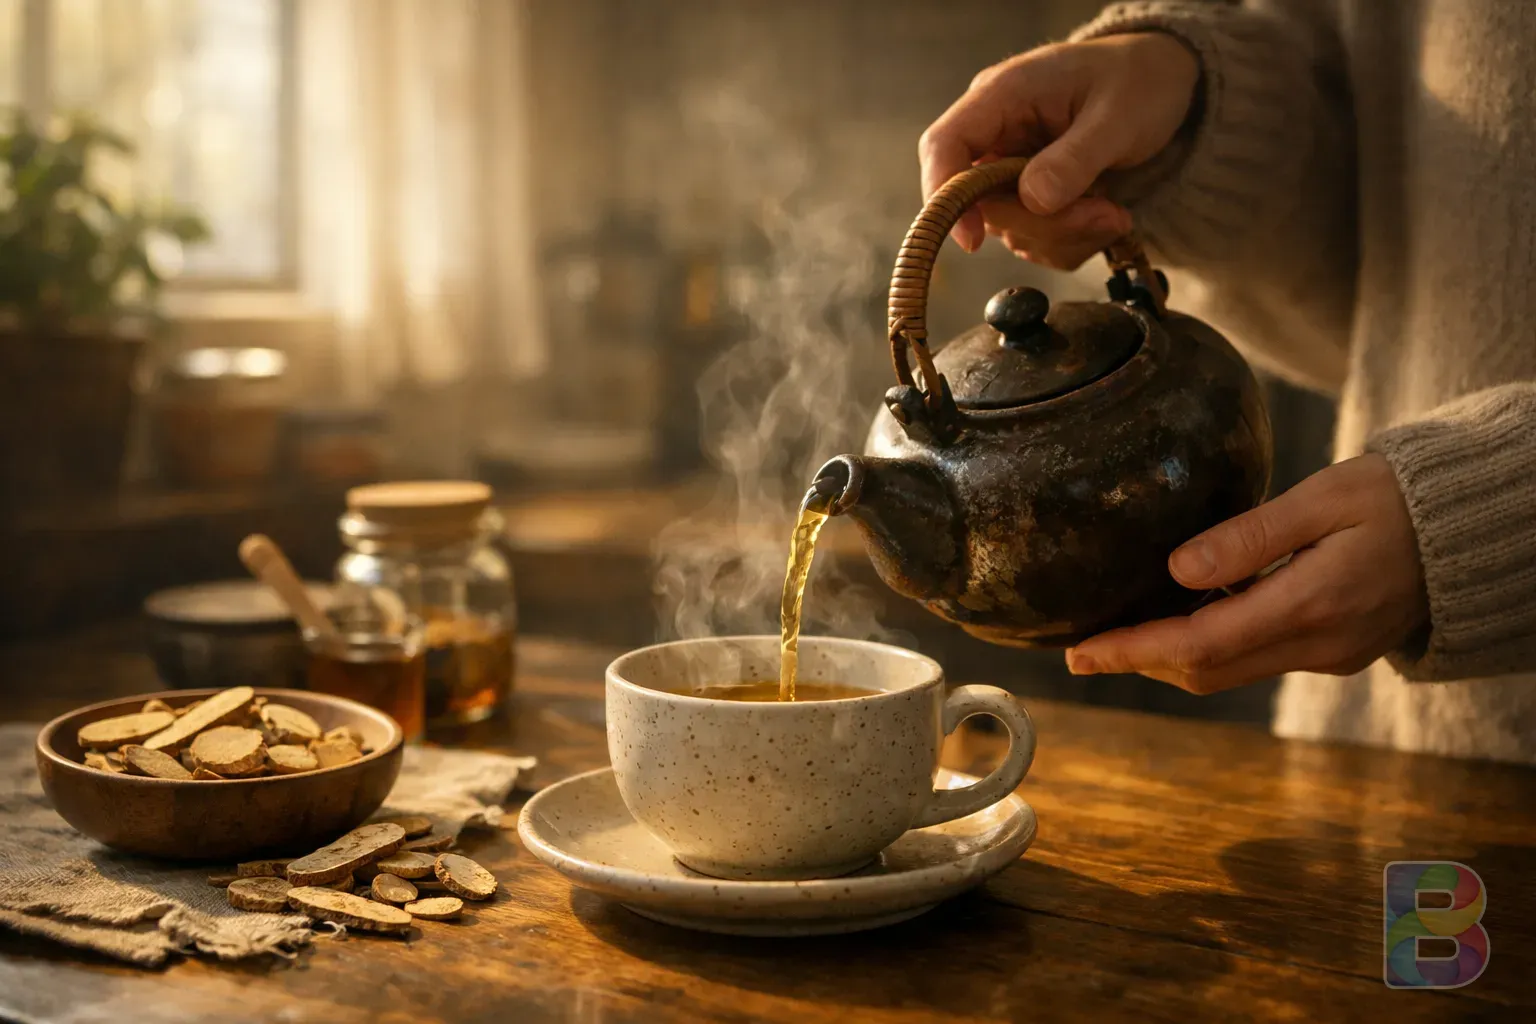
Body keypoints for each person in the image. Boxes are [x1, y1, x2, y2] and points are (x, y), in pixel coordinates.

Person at [918, 0, 1536, 763]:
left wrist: (1498, 511)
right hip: (1369, 753)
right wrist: (1194, 111)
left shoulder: (1163, 369)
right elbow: (1404, 218)